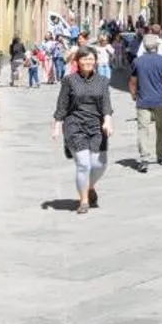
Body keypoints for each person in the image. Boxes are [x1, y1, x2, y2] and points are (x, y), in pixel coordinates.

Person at [52, 45, 112, 213]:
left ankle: (90, 186)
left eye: (91, 59)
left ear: (95, 61)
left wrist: (108, 120)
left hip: (96, 126)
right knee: (83, 165)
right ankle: (84, 200)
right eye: (84, 59)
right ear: (78, 61)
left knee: (99, 165)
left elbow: (106, 103)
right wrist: (57, 126)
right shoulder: (69, 80)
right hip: (74, 125)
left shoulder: (102, 81)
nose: (88, 62)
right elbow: (62, 104)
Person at [128, 33, 162, 170]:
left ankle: (144, 159)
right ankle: (160, 155)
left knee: (143, 129)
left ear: (144, 46)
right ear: (157, 46)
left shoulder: (137, 62)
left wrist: (133, 94)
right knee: (161, 129)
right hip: (160, 101)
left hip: (143, 101)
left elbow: (132, 82)